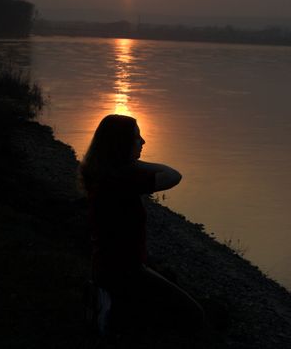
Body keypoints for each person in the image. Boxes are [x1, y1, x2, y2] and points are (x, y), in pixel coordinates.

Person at [79, 114, 205, 335]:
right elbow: (173, 175)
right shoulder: (122, 181)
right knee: (195, 316)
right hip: (124, 271)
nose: (143, 141)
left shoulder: (101, 175)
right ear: (122, 144)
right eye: (137, 138)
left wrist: (125, 161)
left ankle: (109, 307)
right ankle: (109, 312)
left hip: (108, 267)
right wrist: (133, 162)